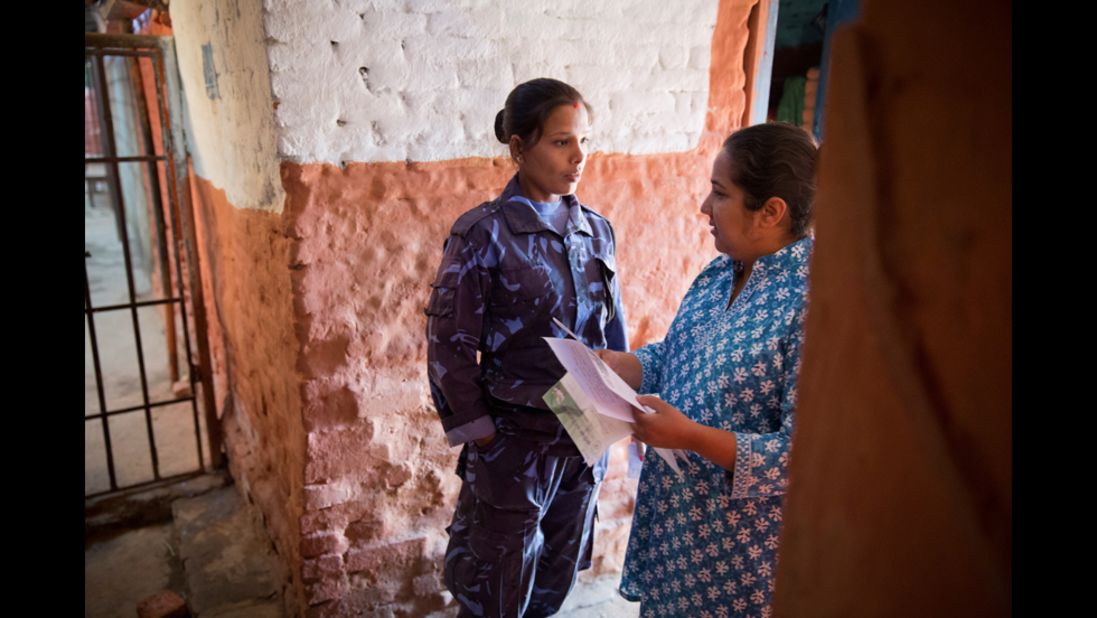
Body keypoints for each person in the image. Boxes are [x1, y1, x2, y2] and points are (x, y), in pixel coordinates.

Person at [425, 77, 628, 617]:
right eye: (561, 142)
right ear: (518, 148)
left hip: (583, 442)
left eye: (585, 140)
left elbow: (612, 337)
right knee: (493, 590)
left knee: (554, 586)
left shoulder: (597, 233)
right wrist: (486, 438)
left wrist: (619, 416)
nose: (579, 156)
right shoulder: (482, 235)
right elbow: (448, 347)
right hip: (513, 447)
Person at [598, 122, 817, 617]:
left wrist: (690, 435)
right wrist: (622, 366)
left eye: (720, 193)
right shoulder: (720, 271)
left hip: (738, 560)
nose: (703, 207)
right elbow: (680, 356)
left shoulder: (815, 304)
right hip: (678, 533)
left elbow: (801, 457)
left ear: (771, 211)